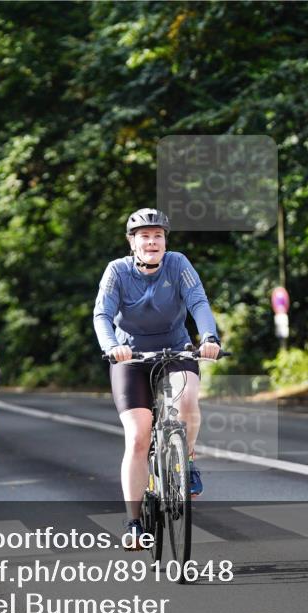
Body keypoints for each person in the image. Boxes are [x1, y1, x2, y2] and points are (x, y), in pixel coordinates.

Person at [92, 208, 221, 550]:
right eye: (145, 236)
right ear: (132, 243)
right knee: (138, 436)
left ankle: (186, 461)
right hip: (130, 357)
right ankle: (134, 523)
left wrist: (209, 337)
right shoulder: (117, 271)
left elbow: (198, 302)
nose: (152, 242)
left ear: (165, 241)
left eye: (158, 236)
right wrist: (112, 347)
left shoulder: (178, 264)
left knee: (187, 401)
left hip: (176, 349)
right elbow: (102, 313)